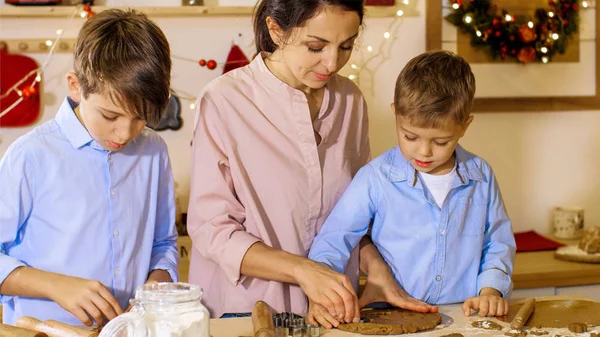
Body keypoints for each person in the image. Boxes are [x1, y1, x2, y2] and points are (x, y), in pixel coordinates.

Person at [187, 0, 436, 324]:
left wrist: (376, 270)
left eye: (346, 46)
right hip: (247, 311)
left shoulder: (350, 101)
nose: (332, 62)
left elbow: (356, 214)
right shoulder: (224, 102)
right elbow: (212, 230)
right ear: (275, 30)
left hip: (334, 314)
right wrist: (303, 271)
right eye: (315, 46)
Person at [308, 50, 517, 326]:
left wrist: (491, 289)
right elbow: (334, 239)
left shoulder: (482, 177)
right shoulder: (375, 178)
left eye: (440, 142)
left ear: (465, 125)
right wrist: (323, 292)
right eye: (410, 136)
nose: (424, 151)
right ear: (396, 112)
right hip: (392, 318)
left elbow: (497, 243)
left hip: (465, 319)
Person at [0, 9, 179, 326]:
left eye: (141, 118)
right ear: (75, 86)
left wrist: (157, 282)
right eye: (110, 116)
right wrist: (56, 286)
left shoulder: (154, 152)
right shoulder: (30, 156)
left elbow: (163, 244)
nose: (125, 134)